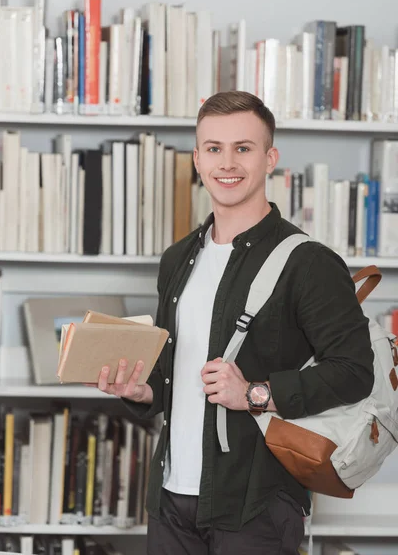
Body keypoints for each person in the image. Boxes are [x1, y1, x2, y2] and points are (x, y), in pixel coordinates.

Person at [95, 91, 374, 554]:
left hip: (257, 505)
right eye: (214, 148)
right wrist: (143, 392)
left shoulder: (308, 263)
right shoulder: (179, 258)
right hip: (171, 498)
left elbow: (354, 371)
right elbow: (175, 375)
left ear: (270, 159)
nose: (228, 163)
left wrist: (254, 394)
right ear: (198, 160)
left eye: (243, 148)